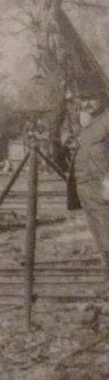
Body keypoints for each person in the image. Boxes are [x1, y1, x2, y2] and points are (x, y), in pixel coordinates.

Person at [72, 101, 109, 281]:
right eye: (82, 98)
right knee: (101, 236)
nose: (86, 103)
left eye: (91, 97)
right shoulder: (87, 122)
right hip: (87, 186)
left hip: (103, 187)